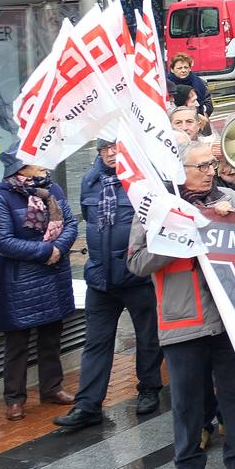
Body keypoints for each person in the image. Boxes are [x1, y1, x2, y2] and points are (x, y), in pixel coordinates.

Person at [127, 150, 235, 469]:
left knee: (234, 394)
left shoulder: (228, 199)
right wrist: (178, 236)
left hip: (229, 318)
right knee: (185, 401)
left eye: (210, 165)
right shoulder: (154, 210)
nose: (209, 172)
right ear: (177, 172)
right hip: (182, 319)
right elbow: (137, 263)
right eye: (200, 167)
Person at [55, 141, 163, 429]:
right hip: (99, 278)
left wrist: (141, 264)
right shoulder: (91, 179)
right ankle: (87, 405)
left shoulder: (145, 180)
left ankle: (149, 388)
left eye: (116, 146)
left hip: (136, 276)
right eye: (105, 148)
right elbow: (89, 219)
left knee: (147, 337)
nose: (111, 153)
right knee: (95, 342)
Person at [0, 153, 77, 423]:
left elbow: (71, 224)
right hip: (20, 278)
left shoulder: (53, 188)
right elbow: (3, 240)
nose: (43, 165)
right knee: (17, 340)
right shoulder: (2, 196)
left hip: (53, 273)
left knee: (52, 333)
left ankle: (52, 388)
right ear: (22, 168)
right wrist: (46, 251)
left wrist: (58, 248)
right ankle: (15, 399)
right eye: (36, 161)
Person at [167, 53, 213, 118]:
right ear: (172, 70)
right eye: (179, 68)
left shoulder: (200, 82)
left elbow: (209, 105)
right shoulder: (166, 85)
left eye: (186, 67)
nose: (183, 70)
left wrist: (199, 112)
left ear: (190, 68)